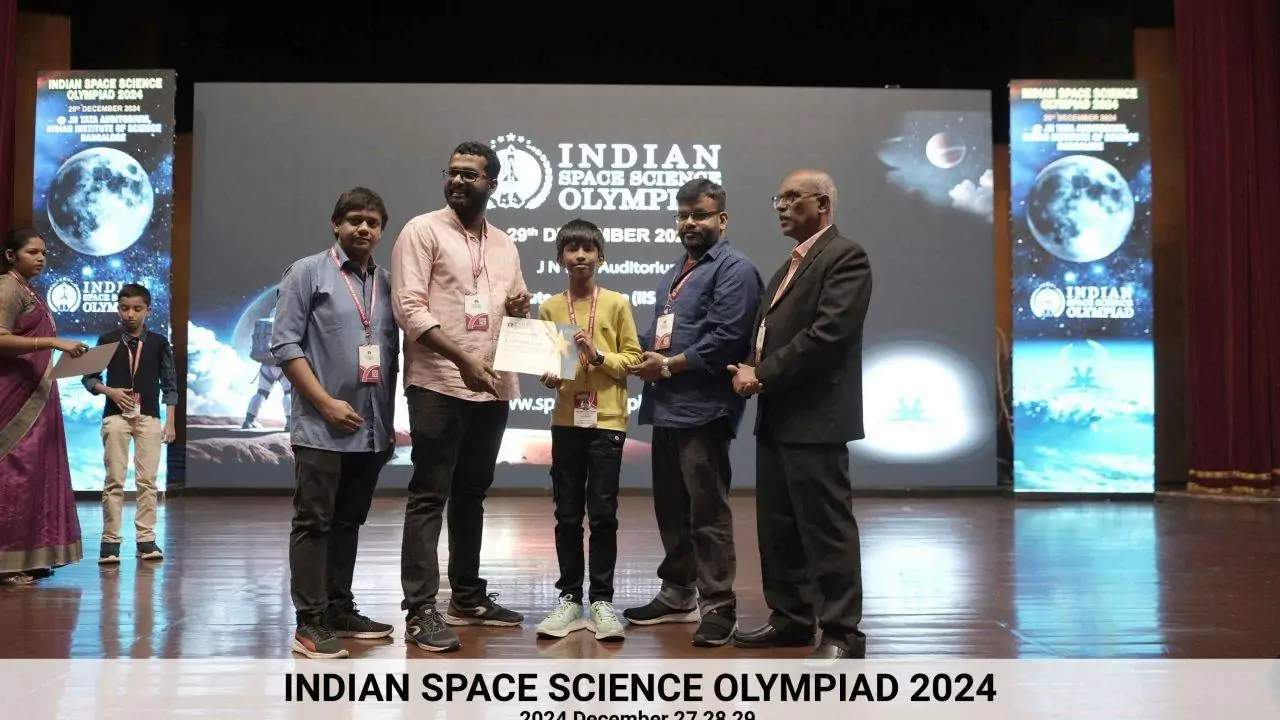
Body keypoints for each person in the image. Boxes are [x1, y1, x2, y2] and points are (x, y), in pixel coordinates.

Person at [391, 141, 532, 653]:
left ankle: (467, 596)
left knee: (472, 492)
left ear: (491, 183)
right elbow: (409, 309)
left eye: (470, 174)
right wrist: (462, 361)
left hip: (492, 385)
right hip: (437, 382)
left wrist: (520, 308)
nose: (457, 180)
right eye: (452, 172)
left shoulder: (506, 244)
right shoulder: (421, 231)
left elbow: (513, 308)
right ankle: (419, 609)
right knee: (430, 493)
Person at [728, 169, 872, 660]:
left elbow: (827, 336)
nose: (780, 206)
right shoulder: (789, 266)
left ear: (823, 204)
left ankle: (843, 634)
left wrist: (762, 373)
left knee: (826, 530)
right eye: (779, 198)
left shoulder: (845, 257)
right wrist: (746, 365)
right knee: (779, 529)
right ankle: (790, 620)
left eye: (792, 198)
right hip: (778, 417)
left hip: (816, 420)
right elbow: (771, 334)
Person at [624, 178, 764, 647]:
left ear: (722, 219)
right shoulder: (675, 272)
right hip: (666, 406)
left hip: (704, 409)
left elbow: (727, 338)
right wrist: (620, 349)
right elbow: (662, 336)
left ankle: (719, 606)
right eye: (682, 215)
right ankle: (678, 593)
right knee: (671, 508)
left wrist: (667, 365)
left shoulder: (735, 269)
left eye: (699, 215)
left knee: (707, 510)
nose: (689, 223)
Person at [270, 187, 400, 659]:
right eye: (354, 219)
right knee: (314, 522)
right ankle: (309, 623)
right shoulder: (307, 272)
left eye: (372, 222)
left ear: (381, 231)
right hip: (322, 428)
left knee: (349, 522)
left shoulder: (388, 283)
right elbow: (284, 345)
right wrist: (324, 403)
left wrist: (387, 425)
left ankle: (339, 609)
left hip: (371, 430)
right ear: (336, 224)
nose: (363, 228)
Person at [532, 219, 643, 642]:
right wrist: (549, 376)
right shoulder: (549, 308)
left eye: (588, 249)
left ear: (601, 256)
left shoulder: (616, 303)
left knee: (602, 514)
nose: (580, 255)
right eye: (572, 249)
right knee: (566, 514)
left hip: (607, 421)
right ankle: (569, 599)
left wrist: (598, 357)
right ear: (560, 257)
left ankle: (602, 601)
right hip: (566, 421)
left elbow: (632, 359)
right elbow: (552, 366)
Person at [0, 228, 87, 586]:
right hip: (13, 398)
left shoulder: (27, 290)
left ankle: (31, 555)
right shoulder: (7, 287)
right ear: (11, 256)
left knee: (36, 473)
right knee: (14, 473)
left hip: (37, 395)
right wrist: (51, 342)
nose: (40, 258)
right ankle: (6, 563)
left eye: (44, 253)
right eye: (32, 252)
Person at [82, 283, 178, 564]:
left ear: (148, 310)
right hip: (115, 417)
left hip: (149, 417)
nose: (131, 314)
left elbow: (170, 384)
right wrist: (110, 391)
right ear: (118, 309)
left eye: (137, 309)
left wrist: (170, 422)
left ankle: (146, 539)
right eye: (125, 308)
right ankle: (110, 540)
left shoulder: (159, 342)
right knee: (114, 480)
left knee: (147, 481)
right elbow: (89, 378)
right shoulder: (107, 340)